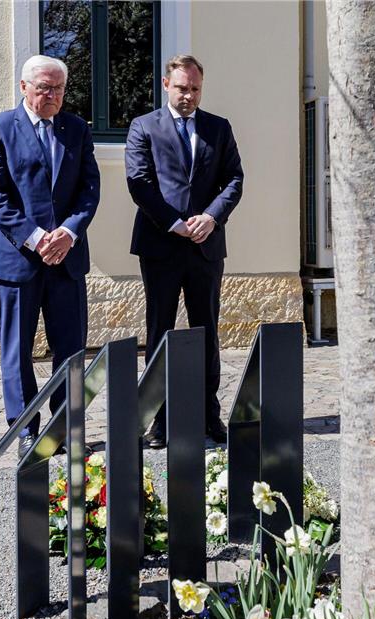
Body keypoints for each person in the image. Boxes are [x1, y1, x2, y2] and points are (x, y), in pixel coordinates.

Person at [0, 54, 100, 459]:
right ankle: (26, 430)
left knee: (71, 351)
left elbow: (89, 189)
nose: (53, 95)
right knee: (17, 352)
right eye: (45, 87)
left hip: (66, 260)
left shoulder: (76, 129)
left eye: (59, 88)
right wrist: (35, 237)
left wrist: (68, 232)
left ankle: (65, 430)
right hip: (14, 263)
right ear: (24, 87)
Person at [125, 54, 244, 449]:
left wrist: (211, 217)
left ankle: (209, 415)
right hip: (161, 245)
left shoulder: (218, 128)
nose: (188, 95)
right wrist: (174, 223)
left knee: (206, 330)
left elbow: (234, 179)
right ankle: (157, 420)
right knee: (160, 331)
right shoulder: (144, 126)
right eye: (181, 88)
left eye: (195, 89)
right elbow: (139, 182)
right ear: (166, 85)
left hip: (205, 246)